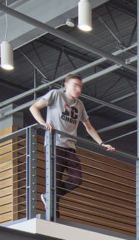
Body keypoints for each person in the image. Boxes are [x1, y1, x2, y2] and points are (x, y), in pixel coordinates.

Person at [28, 73, 115, 210]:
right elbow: (33, 108)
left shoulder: (79, 105)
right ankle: (52, 209)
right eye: (75, 86)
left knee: (76, 179)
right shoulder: (56, 95)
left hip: (70, 147)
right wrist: (44, 123)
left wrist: (101, 143)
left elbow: (89, 127)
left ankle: (50, 197)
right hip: (54, 144)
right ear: (66, 85)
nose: (78, 90)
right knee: (54, 181)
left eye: (80, 87)